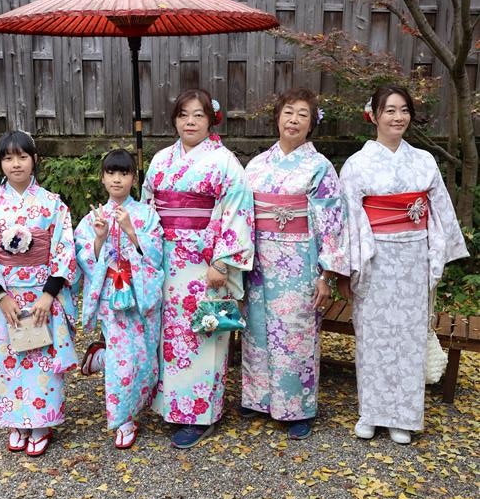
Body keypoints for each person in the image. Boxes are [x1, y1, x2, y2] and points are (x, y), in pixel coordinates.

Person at [338, 85, 468, 444]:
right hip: (374, 258)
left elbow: (439, 211)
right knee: (373, 336)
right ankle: (371, 413)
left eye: (404, 110)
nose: (398, 117)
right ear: (374, 115)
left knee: (409, 337)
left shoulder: (424, 160)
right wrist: (345, 269)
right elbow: (347, 220)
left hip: (414, 257)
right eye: (390, 110)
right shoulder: (357, 164)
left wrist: (438, 254)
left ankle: (403, 417)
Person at [141, 88, 254, 449]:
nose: (190, 122)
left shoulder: (224, 161)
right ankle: (170, 407)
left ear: (211, 120)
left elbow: (237, 210)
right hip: (166, 260)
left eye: (198, 115)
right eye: (183, 115)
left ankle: (201, 413)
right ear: (175, 120)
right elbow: (147, 210)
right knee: (169, 336)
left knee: (204, 332)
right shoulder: (161, 160)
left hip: (205, 263)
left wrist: (223, 260)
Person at [241, 87, 350, 439]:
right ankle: (258, 398)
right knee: (257, 330)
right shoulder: (257, 165)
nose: (294, 120)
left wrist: (326, 274)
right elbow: (241, 215)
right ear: (277, 117)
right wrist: (238, 262)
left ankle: (298, 407)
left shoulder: (319, 167)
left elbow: (331, 223)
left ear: (311, 124)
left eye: (303, 114)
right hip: (259, 261)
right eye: (288, 112)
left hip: (300, 262)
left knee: (295, 335)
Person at [0, 130, 77, 456]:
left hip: (43, 294)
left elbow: (64, 249)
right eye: (8, 158)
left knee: (42, 356)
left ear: (34, 160)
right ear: (0, 163)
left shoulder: (52, 204)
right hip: (7, 298)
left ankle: (42, 422)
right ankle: (16, 422)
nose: (15, 164)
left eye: (22, 156)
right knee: (10, 357)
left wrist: (49, 294)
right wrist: (0, 297)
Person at [75, 149, 164, 449]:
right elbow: (84, 258)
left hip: (140, 294)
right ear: (102, 178)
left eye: (124, 173)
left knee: (145, 358)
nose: (117, 179)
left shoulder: (147, 215)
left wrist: (131, 231)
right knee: (123, 361)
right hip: (111, 295)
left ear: (133, 179)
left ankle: (100, 357)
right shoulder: (93, 217)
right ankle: (123, 419)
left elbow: (156, 257)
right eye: (111, 173)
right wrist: (100, 238)